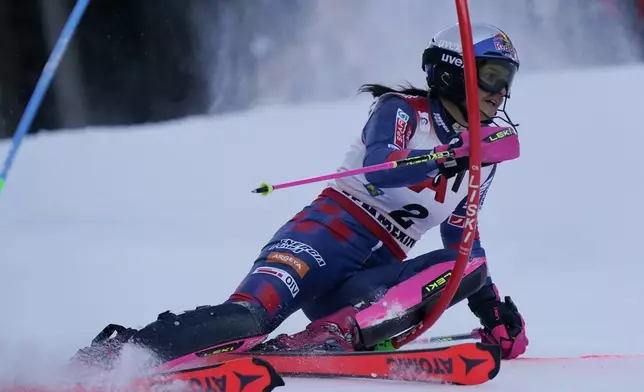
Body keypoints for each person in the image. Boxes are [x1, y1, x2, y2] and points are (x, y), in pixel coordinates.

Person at [73, 22, 529, 370]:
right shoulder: (402, 112)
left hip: (370, 279)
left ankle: (331, 336)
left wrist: (491, 310)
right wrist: (447, 157)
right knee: (246, 323)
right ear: (454, 72)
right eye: (491, 75)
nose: (501, 91)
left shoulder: (482, 156)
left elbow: (462, 236)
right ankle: (124, 354)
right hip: (327, 234)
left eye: (507, 79)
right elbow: (381, 172)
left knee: (468, 263)